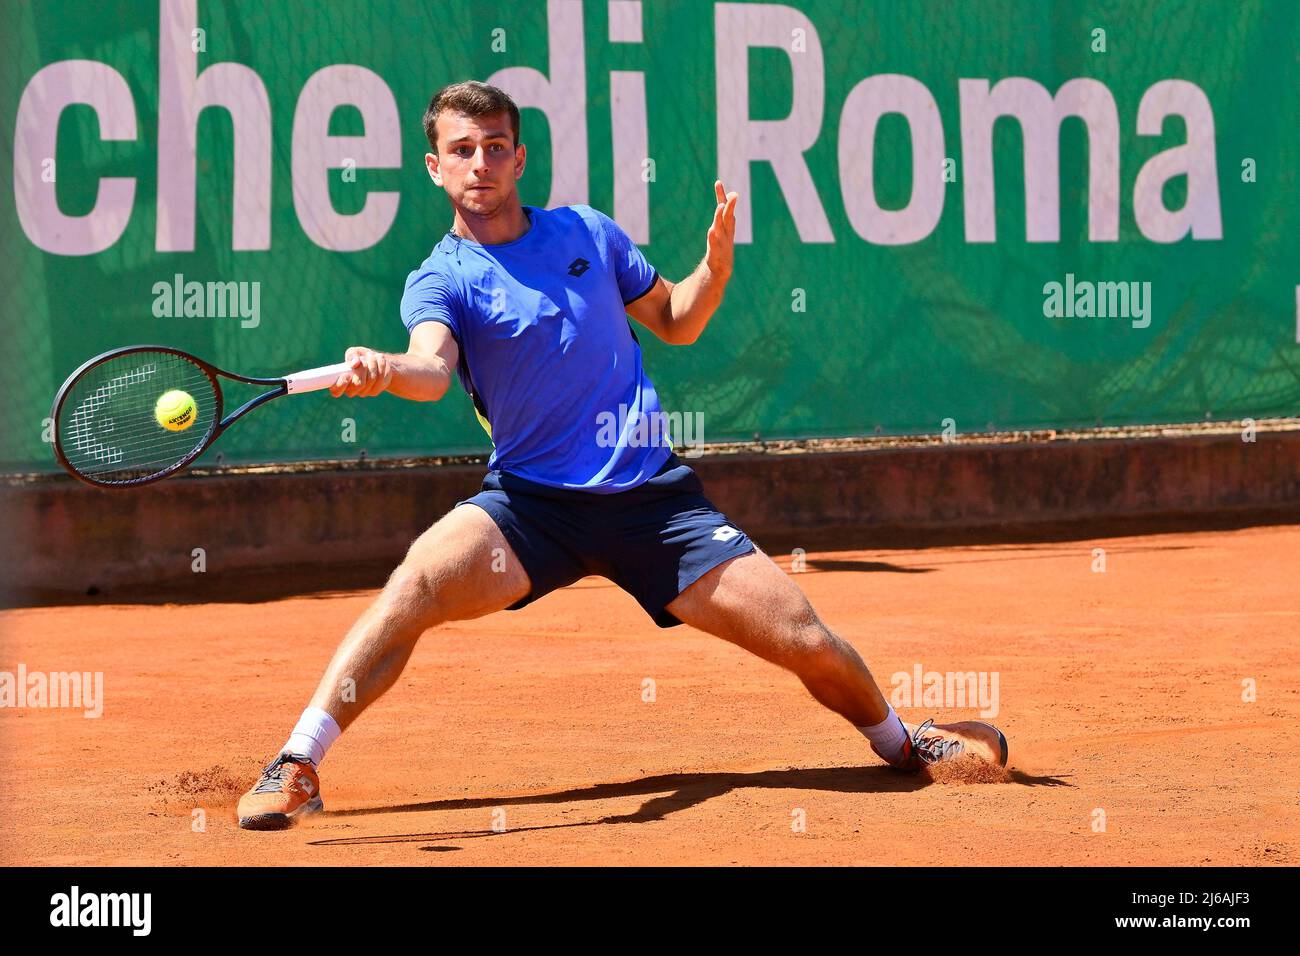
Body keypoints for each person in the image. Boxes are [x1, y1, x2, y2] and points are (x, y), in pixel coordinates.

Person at [236, 80, 1007, 831]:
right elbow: (431, 371)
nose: (480, 164)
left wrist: (716, 270)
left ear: (519, 158)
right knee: (415, 586)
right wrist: (381, 368)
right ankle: (297, 764)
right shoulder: (442, 276)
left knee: (804, 637)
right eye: (461, 149)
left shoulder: (587, 234)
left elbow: (675, 319)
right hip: (532, 509)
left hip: (654, 505)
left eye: (494, 147)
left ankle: (904, 742)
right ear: (434, 167)